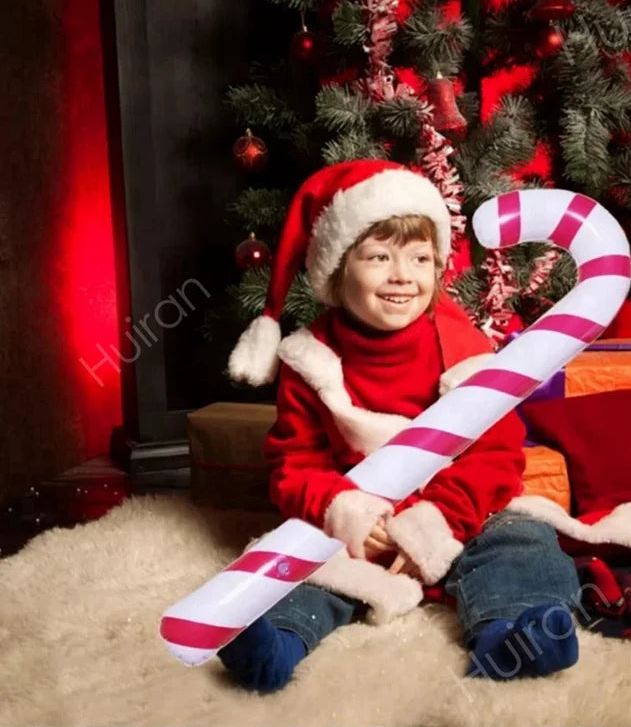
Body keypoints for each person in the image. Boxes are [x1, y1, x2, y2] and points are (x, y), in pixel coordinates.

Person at [223, 159, 580, 693]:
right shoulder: (310, 361)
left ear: (439, 270)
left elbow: (497, 457)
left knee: (523, 539)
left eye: (419, 258)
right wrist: (343, 513)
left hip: (458, 511)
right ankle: (275, 642)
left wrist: (433, 523)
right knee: (301, 557)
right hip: (358, 520)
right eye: (378, 257)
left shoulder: (467, 353)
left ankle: (512, 632)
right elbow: (294, 465)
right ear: (337, 271)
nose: (401, 275)